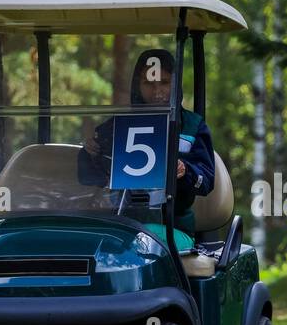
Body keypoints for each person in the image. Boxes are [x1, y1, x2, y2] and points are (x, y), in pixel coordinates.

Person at [83, 48, 215, 241]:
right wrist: (91, 154)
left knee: (144, 246)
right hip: (121, 224)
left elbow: (207, 180)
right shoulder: (116, 125)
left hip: (172, 226)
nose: (157, 91)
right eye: (149, 83)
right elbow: (87, 178)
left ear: (175, 85)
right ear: (138, 85)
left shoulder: (192, 126)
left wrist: (185, 171)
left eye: (164, 83)